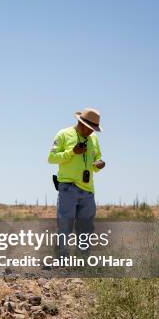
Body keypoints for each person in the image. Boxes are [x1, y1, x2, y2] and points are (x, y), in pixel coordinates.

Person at [48, 108, 105, 258]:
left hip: (88, 191)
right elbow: (51, 158)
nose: (92, 132)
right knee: (65, 225)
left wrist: (98, 165)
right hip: (68, 187)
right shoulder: (63, 134)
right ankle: (60, 259)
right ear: (81, 123)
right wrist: (72, 152)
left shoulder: (94, 139)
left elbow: (95, 162)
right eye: (91, 128)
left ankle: (83, 261)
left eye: (95, 129)